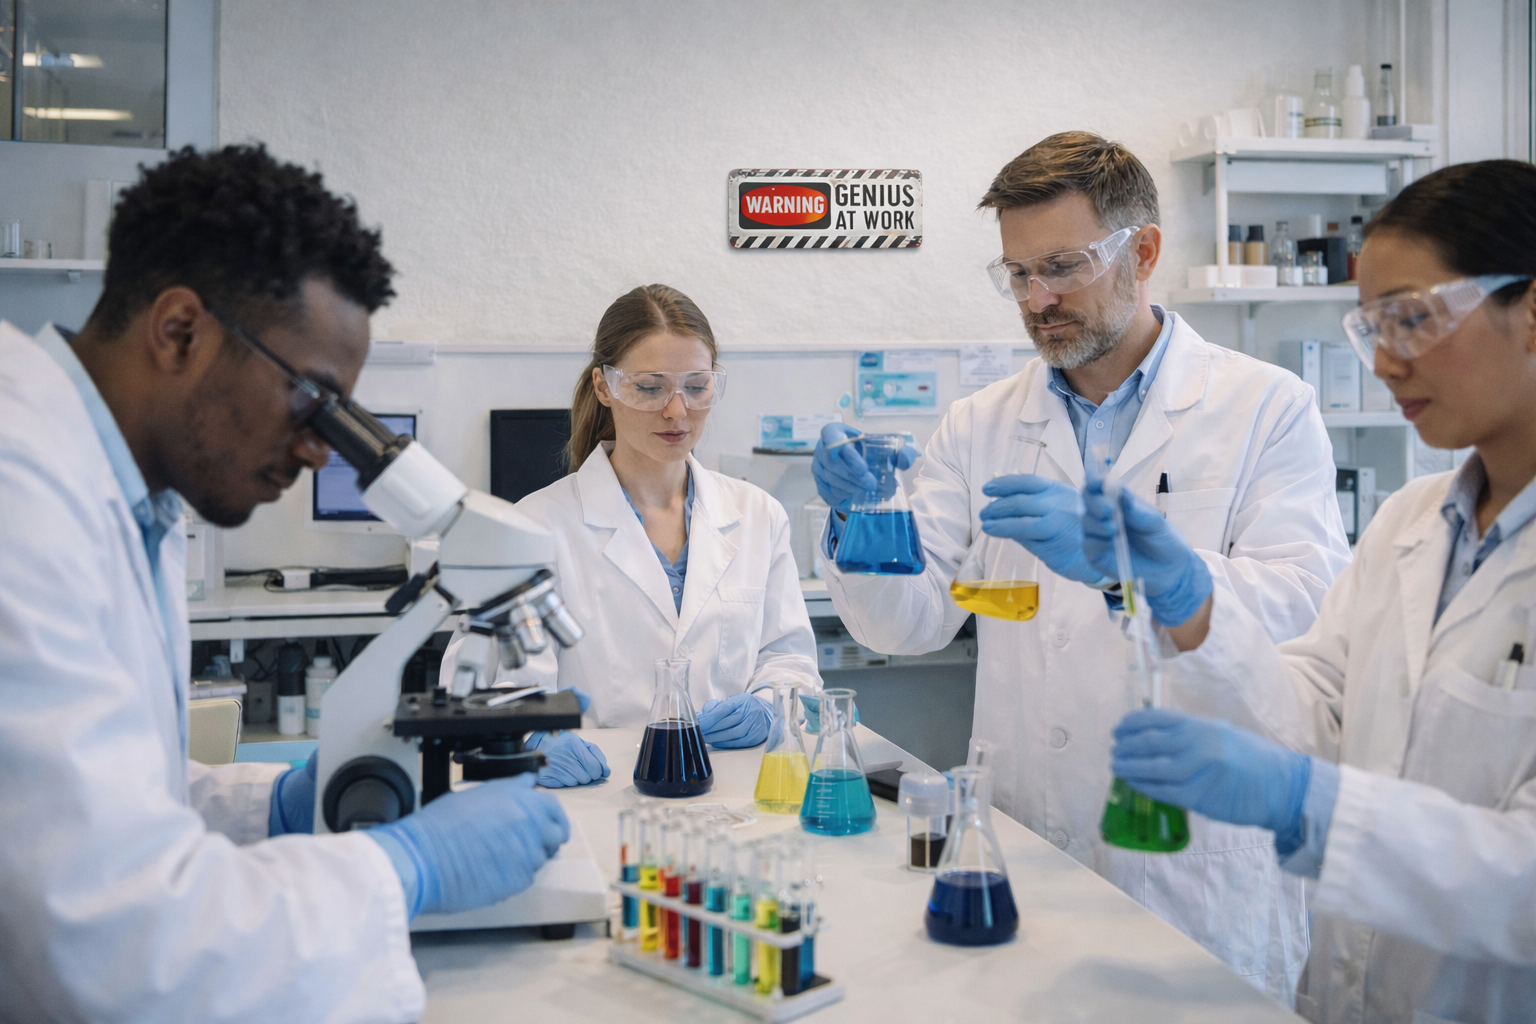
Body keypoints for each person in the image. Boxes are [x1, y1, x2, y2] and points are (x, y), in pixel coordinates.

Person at [0, 145, 570, 1023]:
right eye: (313, 402)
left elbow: (101, 800)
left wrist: (276, 807)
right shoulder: (20, 492)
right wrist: (403, 869)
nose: (316, 450)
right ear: (180, 331)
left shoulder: (125, 494)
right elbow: (116, 938)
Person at [812, 131, 1352, 1001]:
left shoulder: (1265, 407)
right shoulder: (980, 424)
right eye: (1017, 273)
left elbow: (1304, 612)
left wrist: (1139, 570)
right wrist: (863, 517)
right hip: (1027, 839)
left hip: (1193, 861)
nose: (1038, 298)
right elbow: (906, 624)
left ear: (1144, 252)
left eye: (1062, 266)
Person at [1102, 160, 1536, 1023]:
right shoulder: (1412, 523)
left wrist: (1310, 803)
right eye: (1371, 327)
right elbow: (1317, 706)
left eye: (1413, 319)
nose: (1385, 363)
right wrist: (1191, 603)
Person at [441, 284, 820, 767]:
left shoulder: (758, 515)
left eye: (696, 386)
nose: (677, 411)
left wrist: (768, 706)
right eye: (649, 387)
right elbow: (476, 689)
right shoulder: (532, 528)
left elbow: (790, 659)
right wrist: (528, 739)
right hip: (593, 792)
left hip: (734, 786)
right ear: (605, 387)